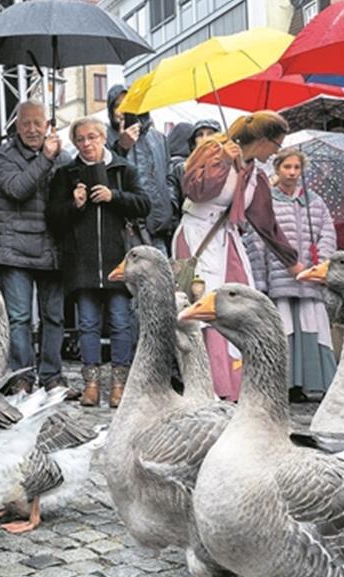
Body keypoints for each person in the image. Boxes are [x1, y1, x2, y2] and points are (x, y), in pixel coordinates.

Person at [173, 111, 291, 401]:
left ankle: (236, 386)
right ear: (263, 140)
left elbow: (265, 221)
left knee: (235, 309)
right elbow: (195, 189)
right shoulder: (213, 151)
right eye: (276, 144)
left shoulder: (255, 174)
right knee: (200, 311)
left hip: (227, 242)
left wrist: (293, 260)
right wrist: (222, 161)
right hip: (194, 240)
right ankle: (208, 387)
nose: (276, 151)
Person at [45, 117, 151, 407]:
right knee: (88, 324)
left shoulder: (122, 169)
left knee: (120, 322)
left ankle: (119, 384)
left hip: (119, 260)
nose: (87, 143)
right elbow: (53, 218)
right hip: (82, 261)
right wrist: (74, 205)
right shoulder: (66, 174)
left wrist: (113, 196)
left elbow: (144, 204)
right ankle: (91, 383)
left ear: (103, 137)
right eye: (80, 139)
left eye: (92, 137)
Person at [0, 101, 72, 393]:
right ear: (16, 125)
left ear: (48, 124)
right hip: (16, 250)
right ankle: (23, 376)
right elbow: (17, 189)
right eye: (26, 123)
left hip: (51, 248)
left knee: (54, 317)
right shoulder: (2, 157)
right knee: (20, 318)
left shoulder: (62, 158)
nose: (32, 129)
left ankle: (52, 375)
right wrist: (46, 159)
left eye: (38, 123)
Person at [248, 149, 338, 402]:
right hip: (281, 277)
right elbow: (258, 240)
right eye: (287, 167)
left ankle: (317, 381)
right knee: (285, 327)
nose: (292, 172)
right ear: (277, 168)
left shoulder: (315, 202)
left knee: (313, 325)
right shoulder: (268, 202)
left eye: (296, 168)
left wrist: (321, 264)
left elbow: (327, 233)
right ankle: (287, 385)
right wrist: (261, 279)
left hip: (309, 277)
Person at [106, 85, 177, 251]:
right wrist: (121, 148)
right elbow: (107, 178)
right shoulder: (106, 137)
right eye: (118, 106)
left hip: (159, 228)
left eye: (129, 104)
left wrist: (170, 206)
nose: (123, 111)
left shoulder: (157, 137)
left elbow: (169, 175)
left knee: (162, 275)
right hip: (128, 231)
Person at [166, 118, 222, 223]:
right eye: (200, 135)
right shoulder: (182, 168)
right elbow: (173, 203)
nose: (205, 138)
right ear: (193, 142)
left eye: (210, 134)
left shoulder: (227, 168)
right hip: (189, 227)